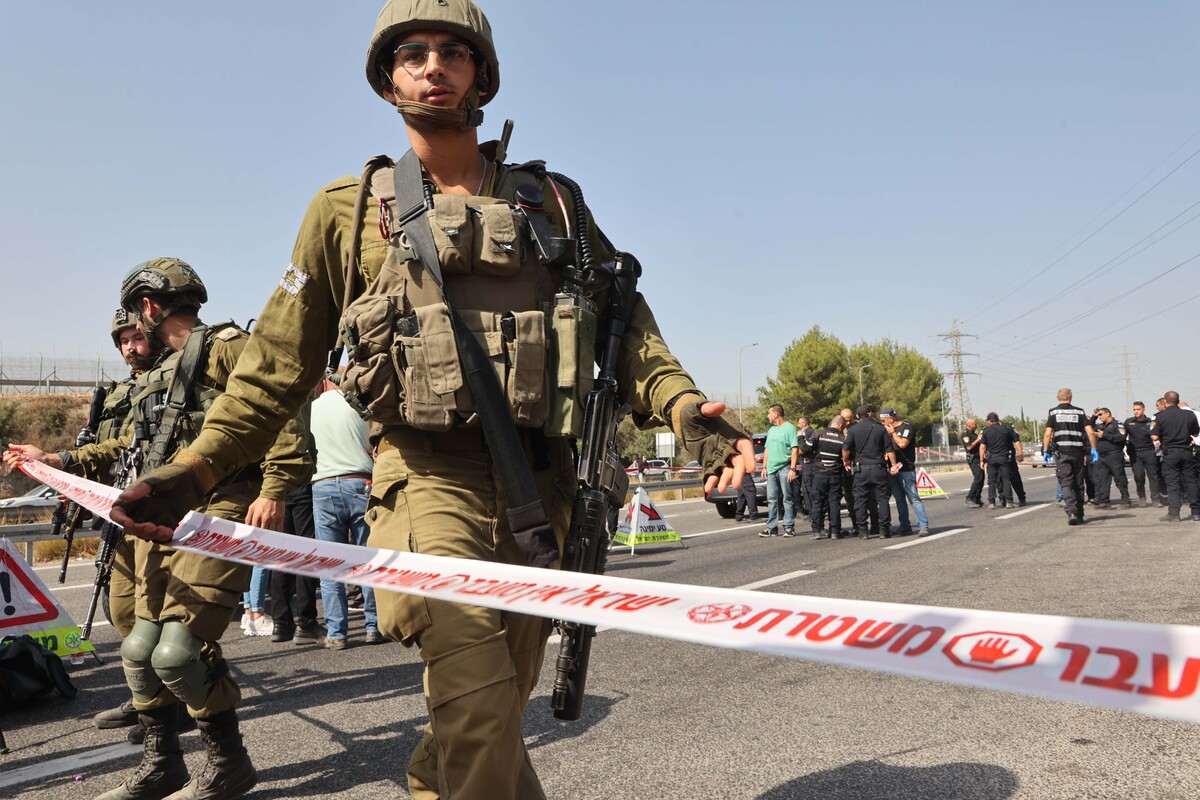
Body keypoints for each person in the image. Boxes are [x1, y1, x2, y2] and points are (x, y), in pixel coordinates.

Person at [109, 4, 753, 797]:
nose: (433, 66)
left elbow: (629, 335)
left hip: (542, 493)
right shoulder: (346, 212)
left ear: (481, 74)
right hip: (424, 486)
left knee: (475, 721)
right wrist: (196, 470)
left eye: (454, 51)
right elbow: (273, 369)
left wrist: (690, 413)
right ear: (387, 78)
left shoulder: (550, 201)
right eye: (411, 53)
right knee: (479, 714)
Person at [7, 259, 312, 800]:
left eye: (133, 313)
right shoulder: (161, 375)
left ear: (149, 306)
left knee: (177, 654)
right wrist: (55, 458)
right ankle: (163, 764)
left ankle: (229, 763)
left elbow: (280, 410)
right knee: (137, 649)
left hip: (219, 507)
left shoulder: (226, 348)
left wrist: (274, 487)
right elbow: (128, 450)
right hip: (165, 520)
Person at [309, 378, 382, 649]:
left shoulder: (312, 409)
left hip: (323, 485)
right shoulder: (357, 405)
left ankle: (337, 633)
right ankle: (374, 626)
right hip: (360, 481)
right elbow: (373, 443)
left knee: (330, 564)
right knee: (367, 557)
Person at [1044, 388, 1099, 526]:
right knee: (1079, 483)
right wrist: (1093, 449)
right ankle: (1080, 514)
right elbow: (1090, 432)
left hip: (1062, 453)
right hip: (1078, 453)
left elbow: (1047, 433)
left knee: (1066, 482)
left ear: (1058, 398)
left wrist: (1046, 450)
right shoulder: (1079, 412)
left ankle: (1071, 512)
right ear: (1071, 398)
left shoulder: (1053, 412)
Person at [842, 404, 892, 539]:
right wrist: (893, 465)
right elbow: (889, 449)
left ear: (857, 416)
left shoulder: (853, 430)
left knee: (860, 501)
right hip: (878, 469)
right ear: (870, 414)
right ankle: (884, 530)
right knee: (882, 500)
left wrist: (845, 461)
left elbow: (845, 448)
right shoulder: (880, 429)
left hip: (861, 470)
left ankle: (863, 530)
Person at [1150, 391, 1200, 522]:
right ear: (1178, 401)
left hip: (1170, 453)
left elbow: (1154, 436)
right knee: (1191, 481)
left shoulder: (1160, 417)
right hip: (1187, 452)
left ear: (1165, 402)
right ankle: (1196, 512)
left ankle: (1174, 513)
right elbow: (1195, 433)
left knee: (1173, 483)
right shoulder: (1190, 415)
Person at [880, 406, 930, 537]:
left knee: (913, 498)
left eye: (883, 421)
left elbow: (902, 444)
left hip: (906, 469)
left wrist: (892, 433)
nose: (882, 423)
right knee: (899, 499)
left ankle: (923, 525)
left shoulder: (907, 427)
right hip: (892, 469)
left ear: (890, 419)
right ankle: (905, 525)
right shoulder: (885, 430)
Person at [759, 404, 798, 538]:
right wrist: (764, 466)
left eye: (769, 413)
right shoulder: (771, 430)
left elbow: (795, 449)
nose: (768, 416)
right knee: (772, 499)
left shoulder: (790, 428)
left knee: (787, 498)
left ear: (776, 414)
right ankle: (771, 527)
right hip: (771, 469)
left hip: (784, 468)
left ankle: (788, 527)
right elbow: (767, 449)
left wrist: (792, 469)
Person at [809, 415, 847, 540]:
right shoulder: (843, 438)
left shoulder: (819, 434)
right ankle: (835, 531)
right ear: (841, 426)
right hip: (835, 474)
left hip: (820, 473)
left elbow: (805, 448)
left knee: (817, 502)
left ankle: (816, 531)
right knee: (834, 502)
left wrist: (800, 437)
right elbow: (846, 456)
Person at [1092, 407, 1132, 509]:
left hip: (1114, 455)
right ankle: (1104, 501)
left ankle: (1126, 500)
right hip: (1102, 456)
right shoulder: (1101, 426)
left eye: (1101, 415)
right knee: (1103, 479)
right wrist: (1094, 416)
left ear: (1108, 414)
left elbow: (1121, 437)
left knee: (1119, 478)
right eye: (1098, 415)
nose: (1099, 417)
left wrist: (1105, 435)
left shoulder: (1117, 425)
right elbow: (1089, 426)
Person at [1125, 401, 1161, 508]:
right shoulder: (1128, 422)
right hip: (1135, 453)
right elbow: (1122, 436)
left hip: (1149, 451)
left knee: (1153, 476)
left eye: (1138, 409)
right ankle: (1141, 497)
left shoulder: (1151, 422)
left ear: (1143, 409)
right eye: (1134, 409)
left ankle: (1155, 499)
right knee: (1139, 475)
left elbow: (1158, 435)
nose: (1136, 411)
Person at [979, 412, 1016, 509]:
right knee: (1006, 479)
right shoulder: (1005, 429)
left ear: (990, 421)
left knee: (991, 480)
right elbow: (1013, 441)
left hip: (991, 458)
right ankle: (1008, 501)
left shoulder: (986, 431)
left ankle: (991, 502)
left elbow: (982, 447)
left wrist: (982, 460)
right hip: (1003, 457)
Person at [795, 416, 818, 517]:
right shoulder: (811, 432)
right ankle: (813, 509)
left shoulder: (808, 433)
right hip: (810, 463)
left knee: (807, 487)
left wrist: (800, 437)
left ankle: (811, 510)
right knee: (809, 487)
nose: (798, 425)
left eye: (799, 424)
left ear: (804, 424)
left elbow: (805, 448)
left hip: (810, 464)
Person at [960, 417, 985, 508]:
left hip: (978, 458)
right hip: (973, 458)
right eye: (975, 424)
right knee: (978, 478)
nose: (976, 425)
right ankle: (970, 498)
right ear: (970, 425)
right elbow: (969, 447)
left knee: (981, 478)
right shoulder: (966, 434)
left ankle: (977, 498)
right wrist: (978, 439)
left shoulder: (973, 434)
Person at [1002, 420, 1027, 506]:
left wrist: (1020, 453)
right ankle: (1004, 500)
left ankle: (1021, 498)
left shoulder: (1008, 427)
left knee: (1014, 478)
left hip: (1009, 456)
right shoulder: (989, 429)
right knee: (1000, 480)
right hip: (998, 458)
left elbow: (1016, 440)